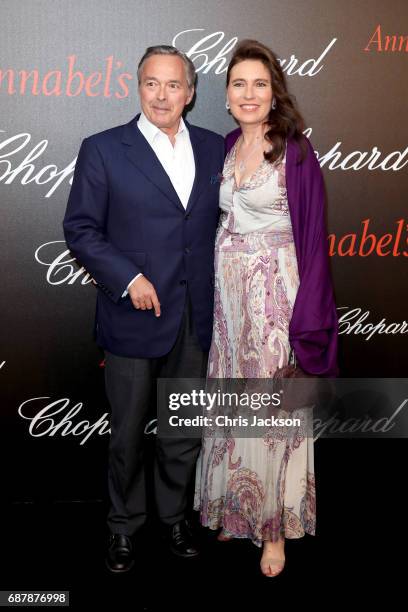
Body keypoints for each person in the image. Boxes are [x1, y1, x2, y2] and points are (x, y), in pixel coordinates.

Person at [63, 45, 224, 572]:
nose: (162, 95)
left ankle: (174, 519)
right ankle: (123, 528)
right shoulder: (104, 148)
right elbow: (81, 229)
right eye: (151, 83)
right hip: (133, 318)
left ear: (191, 92)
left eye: (173, 85)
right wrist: (128, 277)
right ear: (138, 87)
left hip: (196, 318)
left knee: (181, 435)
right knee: (128, 435)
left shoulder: (214, 147)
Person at [194, 40, 339, 577]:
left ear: (274, 90)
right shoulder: (228, 145)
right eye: (239, 84)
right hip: (229, 305)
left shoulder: (296, 151)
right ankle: (239, 511)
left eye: (259, 83)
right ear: (227, 95)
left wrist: (308, 323)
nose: (249, 93)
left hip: (276, 302)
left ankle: (274, 531)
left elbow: (314, 242)